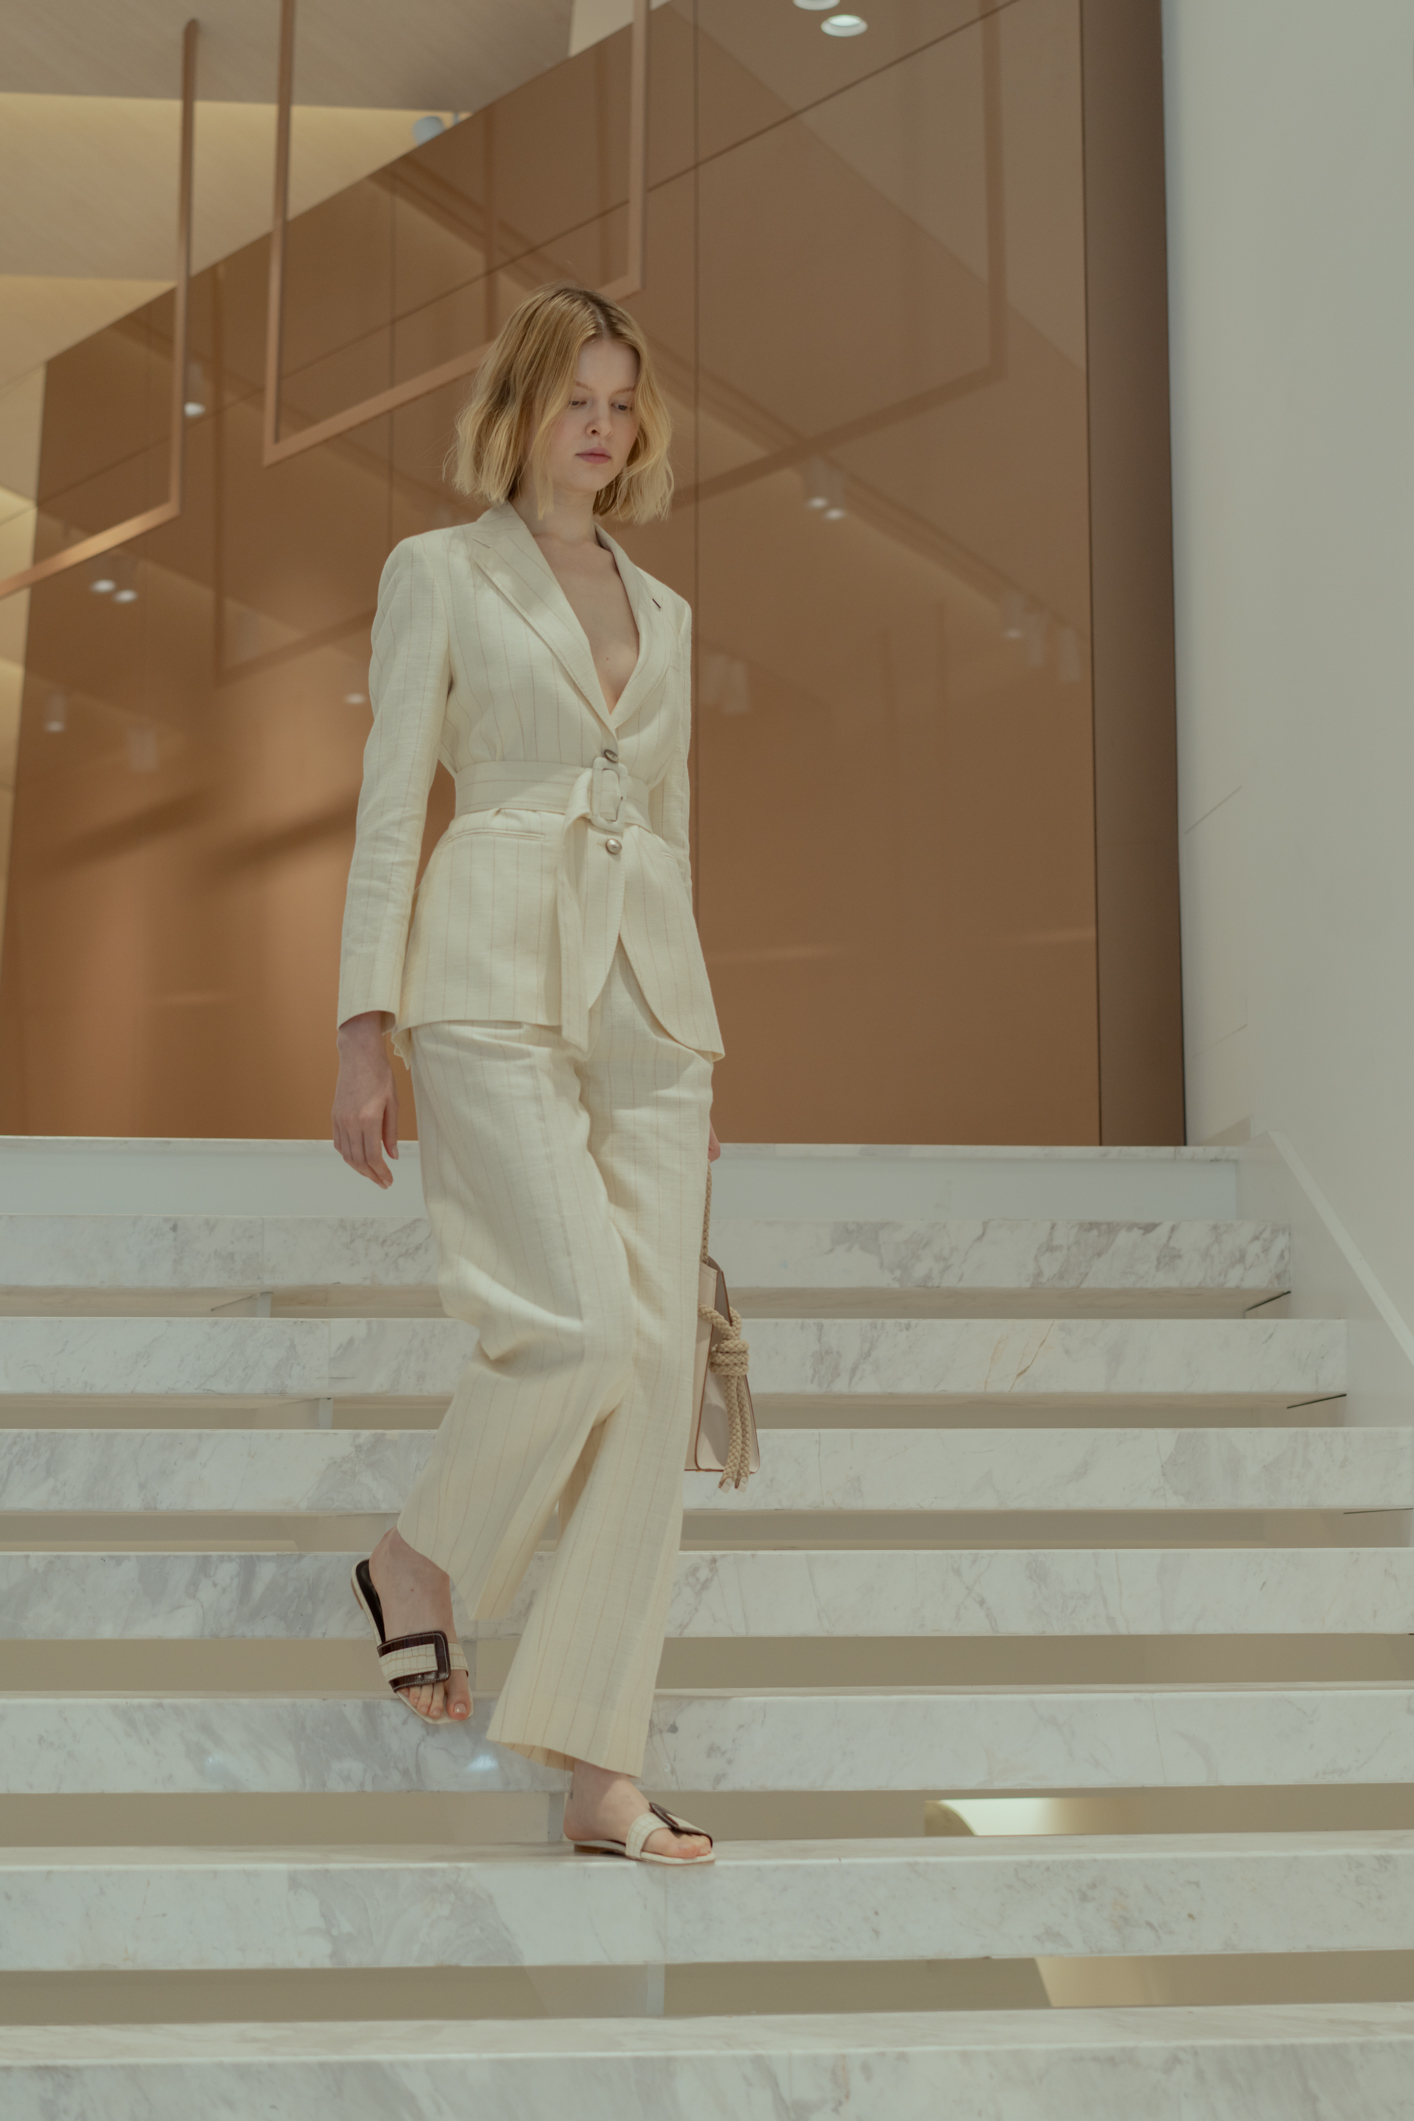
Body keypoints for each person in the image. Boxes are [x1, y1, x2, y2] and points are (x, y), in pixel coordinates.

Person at [331, 283, 723, 1866]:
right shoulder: (438, 571)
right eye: (577, 397)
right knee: (573, 1331)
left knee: (654, 1374)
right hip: (488, 970)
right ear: (520, 408)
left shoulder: (668, 610)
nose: (601, 426)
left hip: (651, 1008)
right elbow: (386, 807)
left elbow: (674, 830)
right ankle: (419, 1554)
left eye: (622, 403)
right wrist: (363, 1024)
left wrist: (690, 1035)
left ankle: (599, 1769)